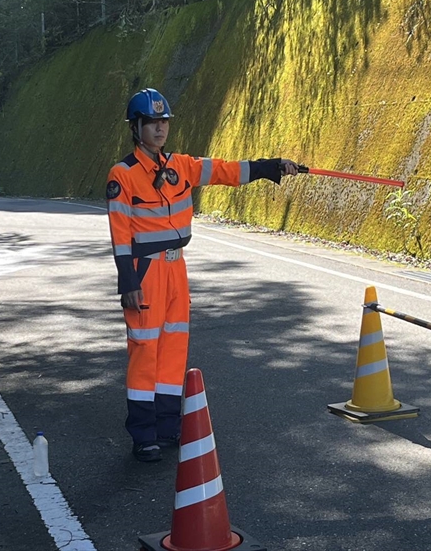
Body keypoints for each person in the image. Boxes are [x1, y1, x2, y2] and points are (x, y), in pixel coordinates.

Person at [106, 88, 299, 462]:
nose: (160, 129)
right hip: (144, 271)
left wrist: (270, 166)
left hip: (177, 268)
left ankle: (167, 426)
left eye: (164, 122)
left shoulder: (181, 166)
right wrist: (127, 282)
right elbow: (120, 232)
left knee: (174, 349)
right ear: (137, 128)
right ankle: (143, 435)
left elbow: (226, 170)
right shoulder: (123, 175)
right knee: (145, 351)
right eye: (152, 123)